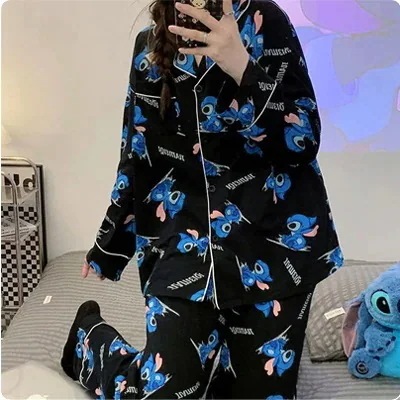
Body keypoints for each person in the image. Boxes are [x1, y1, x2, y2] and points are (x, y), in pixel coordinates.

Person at [61, 0, 343, 398]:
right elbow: (138, 155)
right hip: (183, 246)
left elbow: (303, 139)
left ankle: (227, 364)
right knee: (163, 392)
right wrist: (111, 244)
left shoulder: (266, 22)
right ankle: (88, 341)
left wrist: (241, 67)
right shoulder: (148, 48)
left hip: (273, 251)